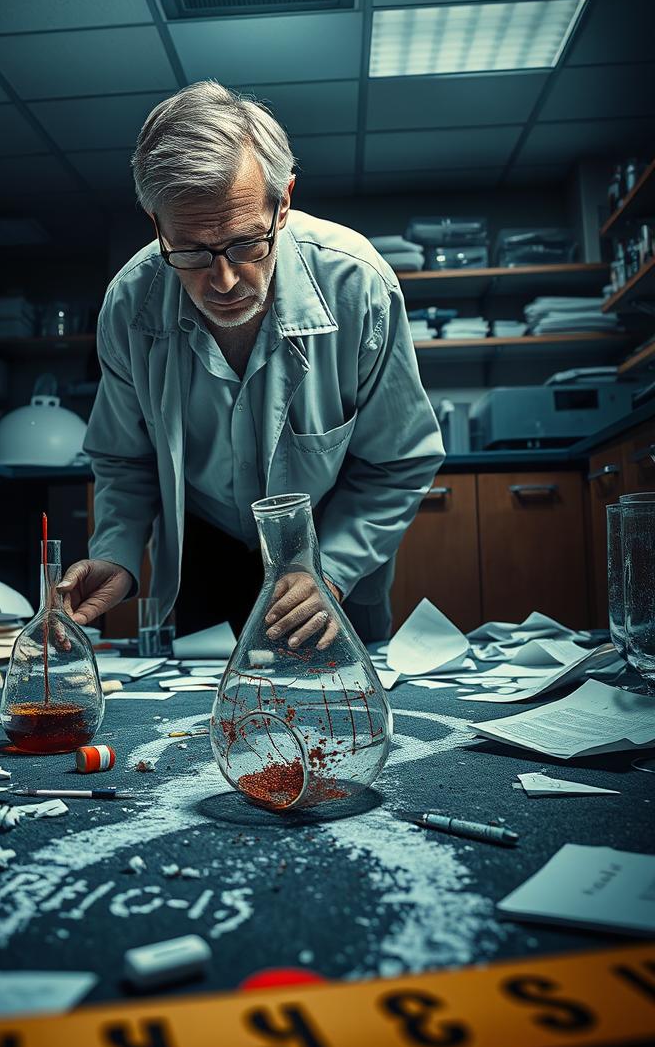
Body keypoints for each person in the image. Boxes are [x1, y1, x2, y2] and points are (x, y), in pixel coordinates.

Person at [59, 81, 444, 648]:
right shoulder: (129, 305)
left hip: (330, 543)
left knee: (345, 720)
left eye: (244, 244)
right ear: (155, 223)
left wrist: (331, 570)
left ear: (282, 203)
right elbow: (124, 458)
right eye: (190, 250)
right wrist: (115, 552)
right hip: (204, 550)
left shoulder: (357, 285)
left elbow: (398, 462)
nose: (224, 281)